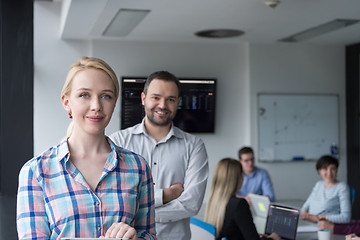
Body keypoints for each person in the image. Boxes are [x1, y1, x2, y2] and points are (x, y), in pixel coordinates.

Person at [16, 57, 156, 240]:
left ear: (114, 103)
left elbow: (149, 235)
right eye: (84, 95)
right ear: (67, 102)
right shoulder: (36, 172)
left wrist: (136, 238)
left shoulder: (138, 167)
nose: (96, 106)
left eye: (106, 96)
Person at [110, 71, 209, 240]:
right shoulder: (118, 142)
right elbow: (113, 199)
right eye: (156, 97)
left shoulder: (193, 146)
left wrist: (139, 212)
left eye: (170, 99)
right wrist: (166, 195)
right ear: (143, 98)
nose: (162, 105)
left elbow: (191, 204)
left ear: (178, 102)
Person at [204, 158, 280, 240]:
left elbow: (232, 231)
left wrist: (252, 234)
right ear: (237, 179)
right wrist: (272, 238)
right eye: (241, 174)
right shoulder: (239, 204)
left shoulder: (214, 201)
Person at [301, 155, 351, 223]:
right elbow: (305, 206)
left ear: (336, 170)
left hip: (326, 228)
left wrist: (318, 218)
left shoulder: (342, 187)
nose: (329, 173)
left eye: (332, 168)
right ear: (319, 171)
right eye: (325, 169)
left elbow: (346, 217)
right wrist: (304, 213)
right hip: (310, 224)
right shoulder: (319, 185)